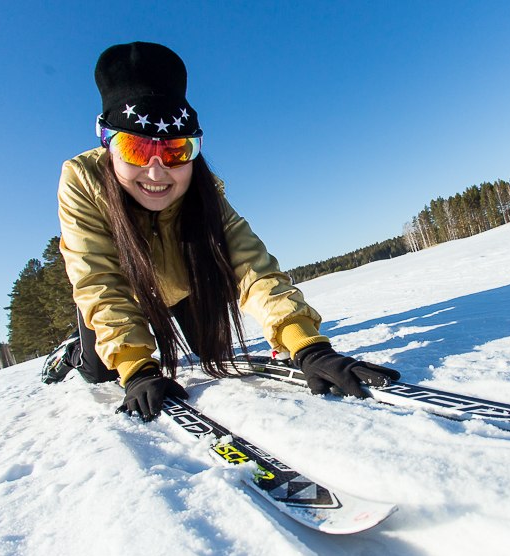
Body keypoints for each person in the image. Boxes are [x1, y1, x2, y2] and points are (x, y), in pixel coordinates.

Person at [42, 41, 399, 420]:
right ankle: (77, 351)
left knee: (211, 348)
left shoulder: (202, 187)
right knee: (102, 371)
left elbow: (250, 266)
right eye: (135, 147)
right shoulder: (82, 180)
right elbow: (98, 279)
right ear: (107, 143)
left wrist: (307, 345)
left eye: (177, 149)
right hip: (126, 289)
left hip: (182, 287)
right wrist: (137, 369)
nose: (157, 170)